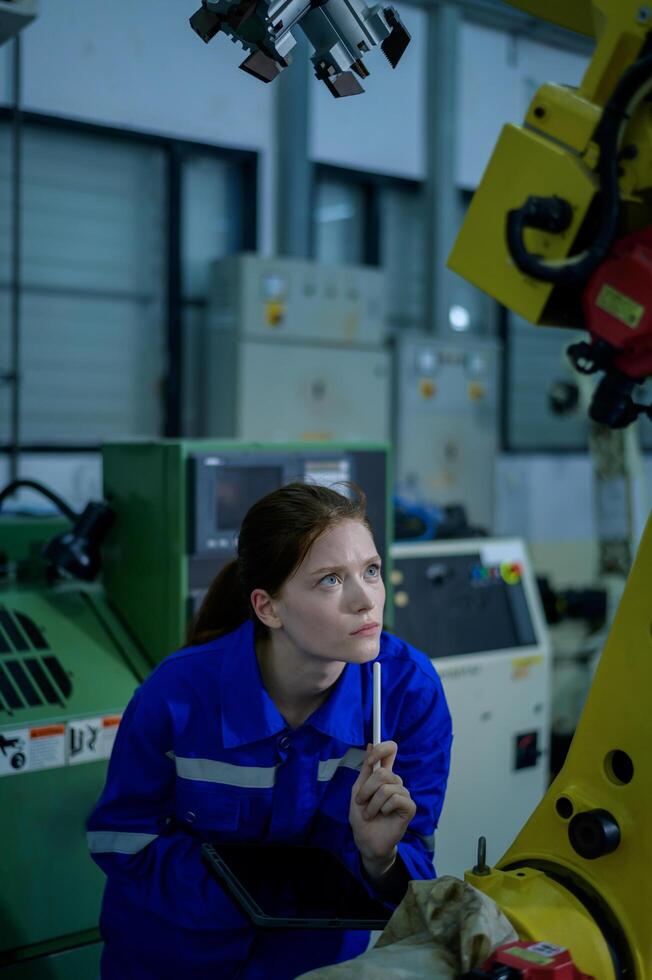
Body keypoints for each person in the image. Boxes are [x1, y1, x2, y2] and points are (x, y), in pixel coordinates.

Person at [87, 482, 453, 980]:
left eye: (371, 571)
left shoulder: (409, 694)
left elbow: (413, 869)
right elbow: (120, 839)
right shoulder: (177, 693)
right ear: (268, 608)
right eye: (330, 580)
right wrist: (250, 894)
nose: (366, 600)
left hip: (314, 968)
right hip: (170, 960)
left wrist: (379, 858)